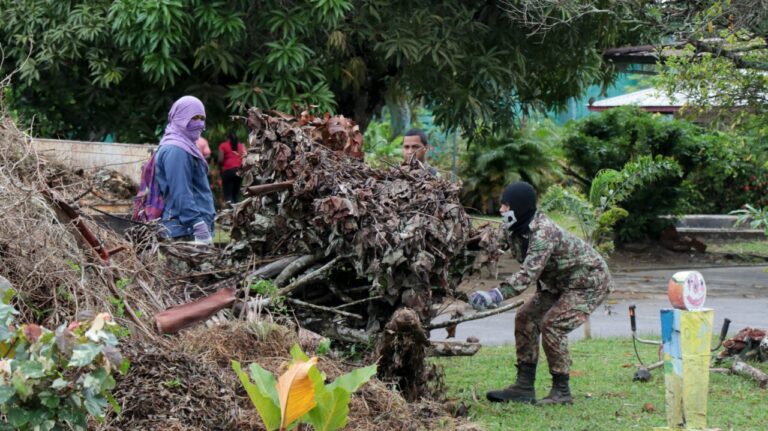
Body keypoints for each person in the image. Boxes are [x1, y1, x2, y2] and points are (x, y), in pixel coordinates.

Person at [468, 181, 612, 405]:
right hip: (559, 283)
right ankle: (524, 387)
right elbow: (490, 244)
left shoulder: (543, 232)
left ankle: (561, 391)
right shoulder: (514, 228)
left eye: (505, 206)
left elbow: (528, 274)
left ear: (519, 206)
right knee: (526, 318)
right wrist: (465, 244)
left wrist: (494, 296)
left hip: (589, 282)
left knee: (553, 324)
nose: (501, 211)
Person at [154, 96, 215, 245]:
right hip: (184, 231)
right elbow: (180, 192)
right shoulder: (176, 150)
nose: (199, 123)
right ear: (179, 117)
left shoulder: (186, 146)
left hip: (189, 229)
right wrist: (197, 224)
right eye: (194, 118)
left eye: (202, 118)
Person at [218, 131, 246, 203]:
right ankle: (237, 212)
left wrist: (220, 168)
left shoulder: (223, 145)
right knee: (236, 195)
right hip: (239, 171)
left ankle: (231, 212)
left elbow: (220, 160)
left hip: (228, 172)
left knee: (228, 195)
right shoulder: (241, 146)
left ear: (227, 138)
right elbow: (245, 158)